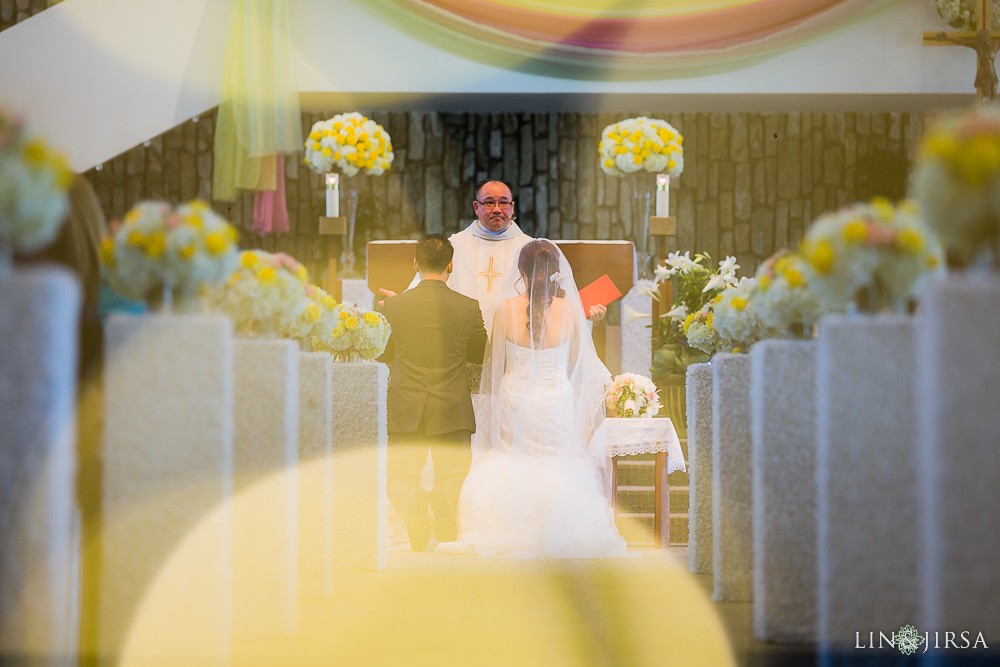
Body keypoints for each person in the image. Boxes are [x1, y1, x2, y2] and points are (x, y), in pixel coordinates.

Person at [437, 239, 628, 558]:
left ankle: (507, 529)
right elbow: (580, 363)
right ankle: (555, 529)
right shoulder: (571, 309)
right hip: (555, 398)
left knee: (514, 460)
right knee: (558, 464)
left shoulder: (504, 309)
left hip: (516, 397)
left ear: (521, 273)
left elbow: (497, 361)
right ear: (556, 274)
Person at [377, 235, 488, 551]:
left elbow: (384, 352)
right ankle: (444, 499)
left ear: (415, 263)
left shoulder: (395, 305)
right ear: (450, 265)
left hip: (406, 404)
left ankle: (411, 498)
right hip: (451, 406)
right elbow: (480, 354)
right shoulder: (468, 307)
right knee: (453, 474)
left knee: (399, 475)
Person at [380, 180, 606, 329]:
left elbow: (556, 298)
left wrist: (587, 316)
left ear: (513, 207)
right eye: (489, 203)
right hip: (462, 345)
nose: (497, 208)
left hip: (517, 342)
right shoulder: (454, 245)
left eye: (503, 203)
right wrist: (401, 304)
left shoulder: (531, 249)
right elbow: (427, 282)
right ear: (476, 207)